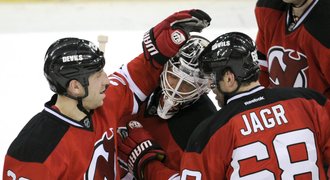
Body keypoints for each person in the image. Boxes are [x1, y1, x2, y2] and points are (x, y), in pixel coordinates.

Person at [2, 9, 211, 180]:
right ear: (76, 87)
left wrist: (157, 52)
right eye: (98, 75)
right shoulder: (35, 150)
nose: (107, 80)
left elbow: (135, 78)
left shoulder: (105, 104)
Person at [118, 32, 330, 180]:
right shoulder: (309, 101)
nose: (211, 87)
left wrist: (147, 163)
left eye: (212, 78)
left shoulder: (212, 130)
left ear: (229, 78)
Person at [118, 35, 217, 179]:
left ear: (205, 87)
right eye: (174, 76)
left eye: (187, 84)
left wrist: (147, 165)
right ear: (166, 66)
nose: (175, 89)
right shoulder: (142, 86)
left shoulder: (205, 125)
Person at [255, 0, 330, 99]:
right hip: (279, 110)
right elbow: (261, 72)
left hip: (316, 113)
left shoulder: (325, 26)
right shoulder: (268, 8)